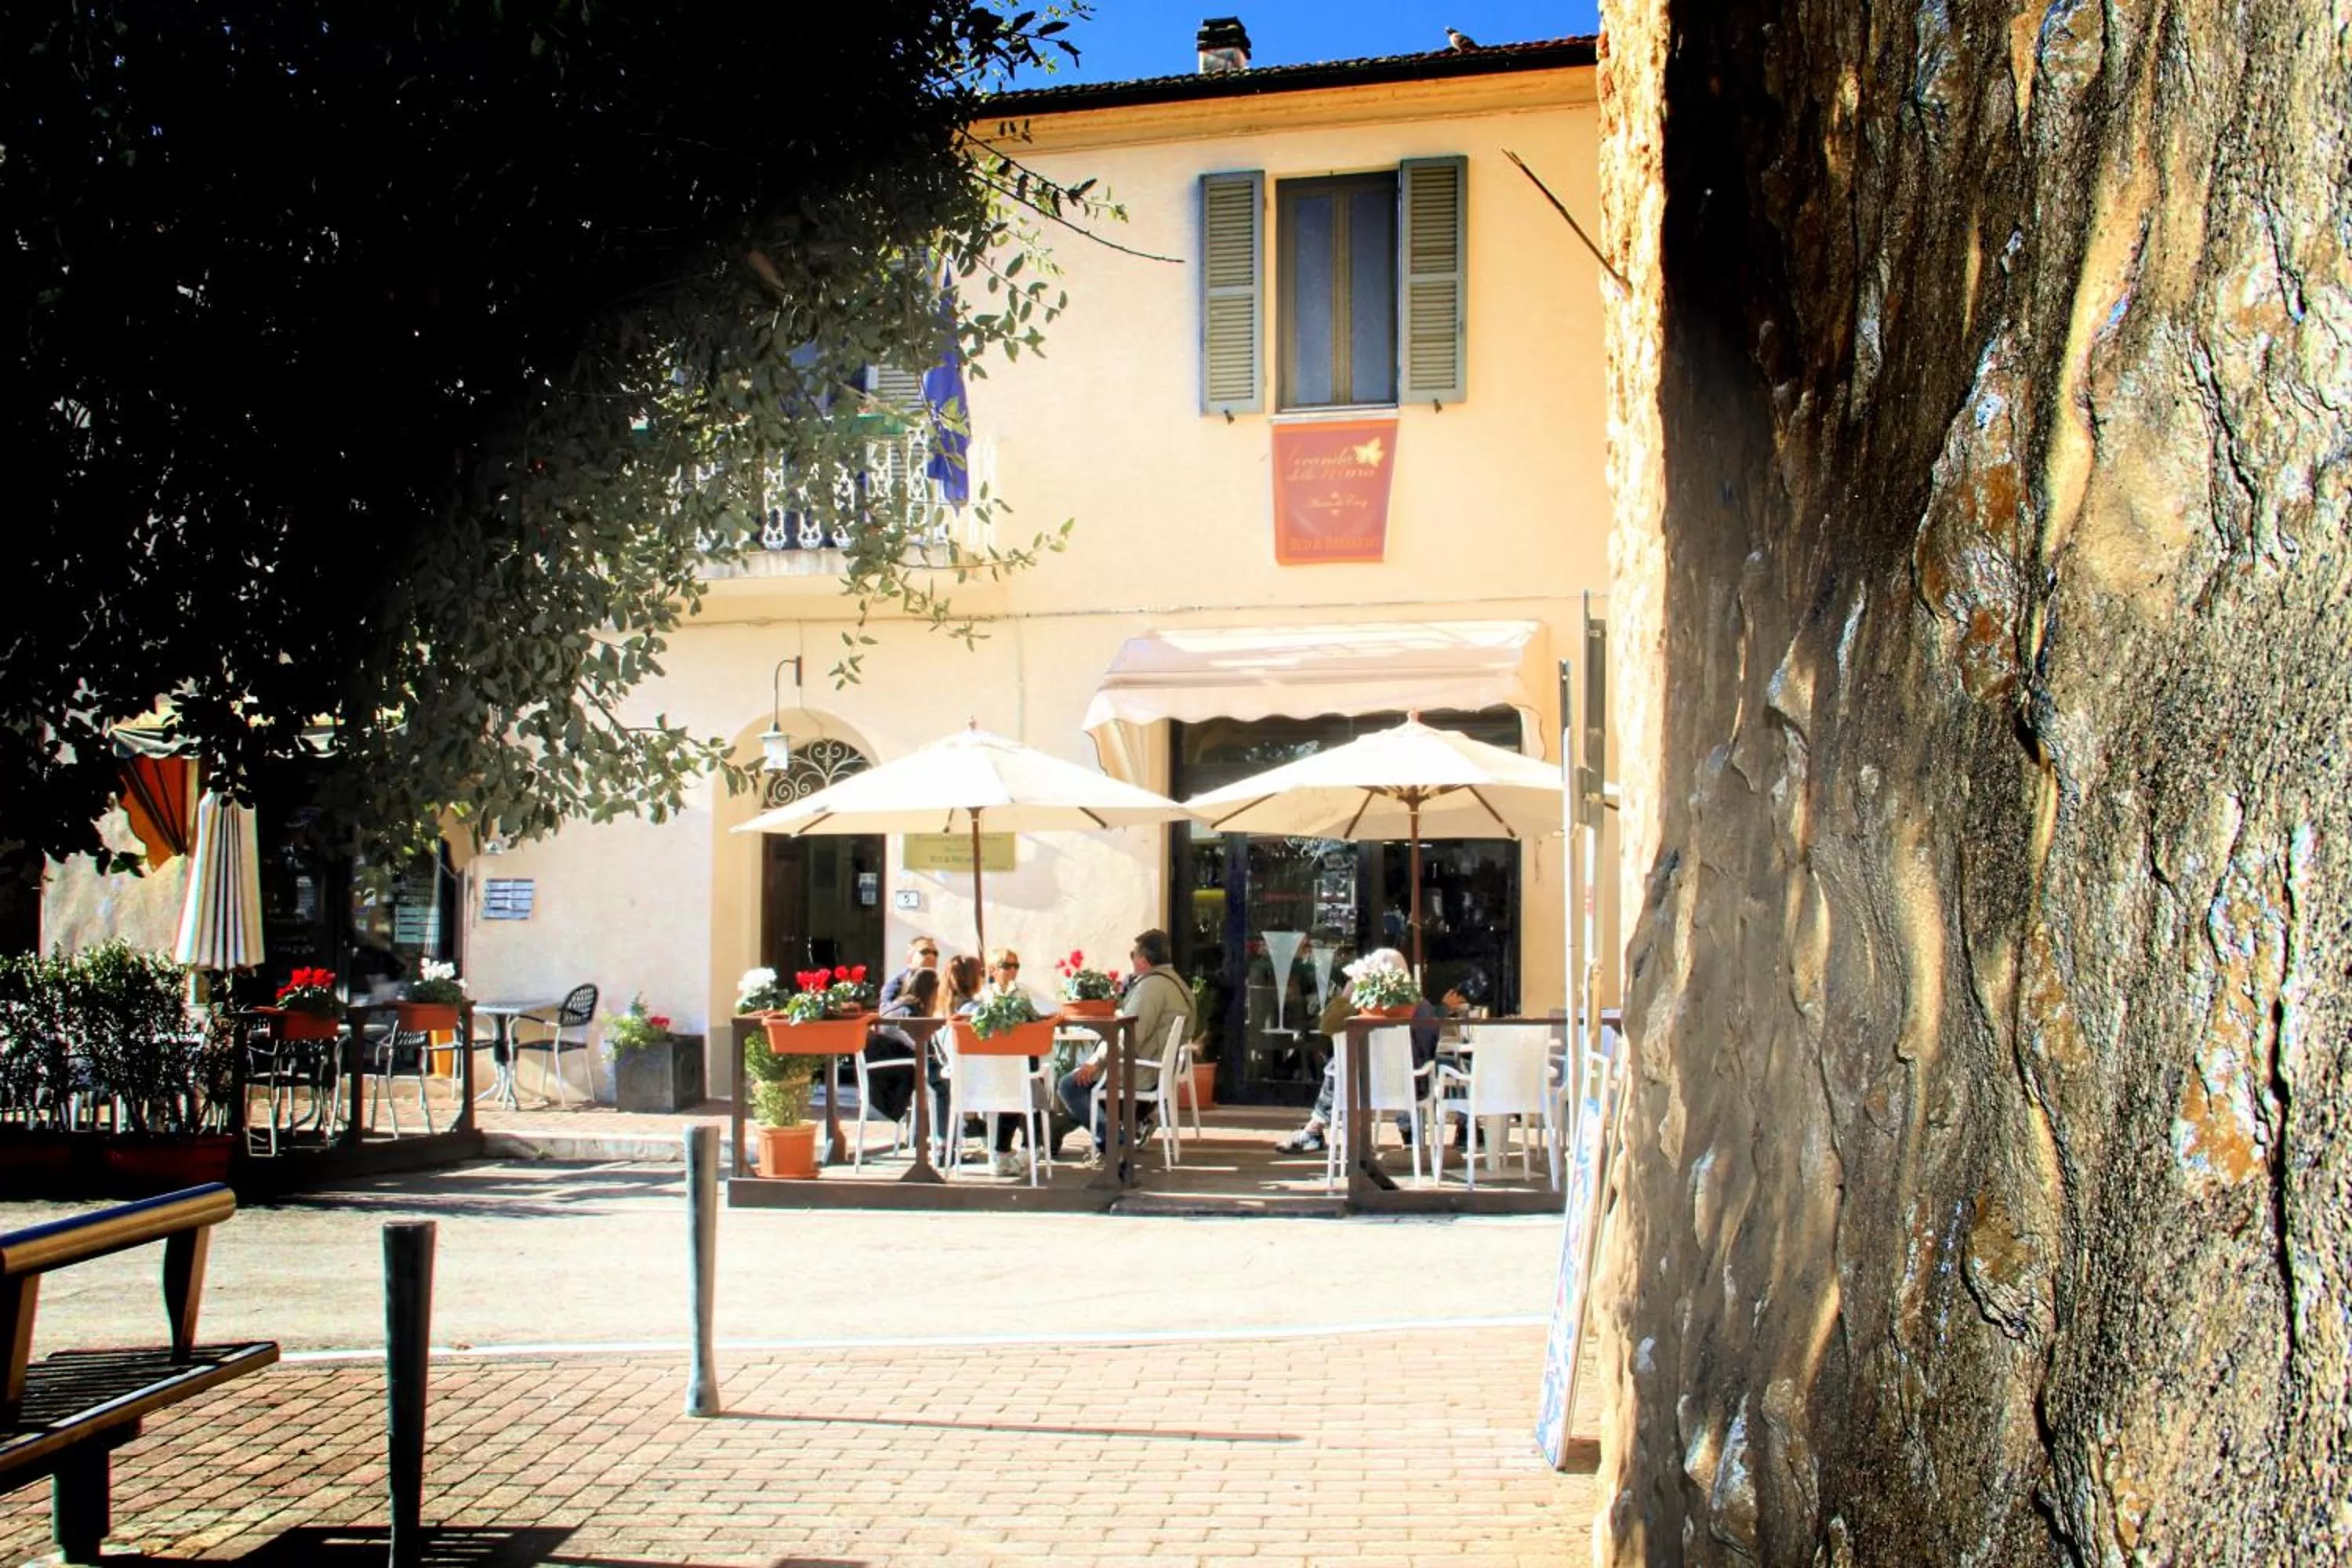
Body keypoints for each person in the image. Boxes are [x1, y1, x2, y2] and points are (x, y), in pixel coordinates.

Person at [1272, 948, 1455, 1155]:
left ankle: (1314, 1129)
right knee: (1413, 1068)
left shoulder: (1364, 1006)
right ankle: (1410, 1131)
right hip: (1411, 1088)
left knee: (1341, 1064)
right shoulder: (1421, 1008)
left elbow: (1327, 1026)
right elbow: (1429, 1050)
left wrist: (1347, 995)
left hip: (1365, 1087)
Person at [1057, 929, 1193, 1159]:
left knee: (1069, 1085)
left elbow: (1128, 1037)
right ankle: (1057, 1136)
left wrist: (1095, 1063)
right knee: (1082, 1088)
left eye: (1133, 955)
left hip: (1140, 1072)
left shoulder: (1150, 989)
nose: (1132, 960)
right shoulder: (1178, 984)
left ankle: (1113, 1141)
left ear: (1144, 960)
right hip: (1156, 1069)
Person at [862, 966, 941, 1124]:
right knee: (942, 1083)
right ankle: (941, 1133)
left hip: (884, 1075)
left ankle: (927, 1133)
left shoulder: (896, 1006)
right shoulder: (909, 1012)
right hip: (898, 1074)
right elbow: (920, 1045)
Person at [877, 935, 940, 1011]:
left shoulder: (941, 983)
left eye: (935, 953)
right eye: (925, 951)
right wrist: (906, 1001)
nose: (932, 956)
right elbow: (885, 1011)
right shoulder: (898, 981)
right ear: (911, 955)